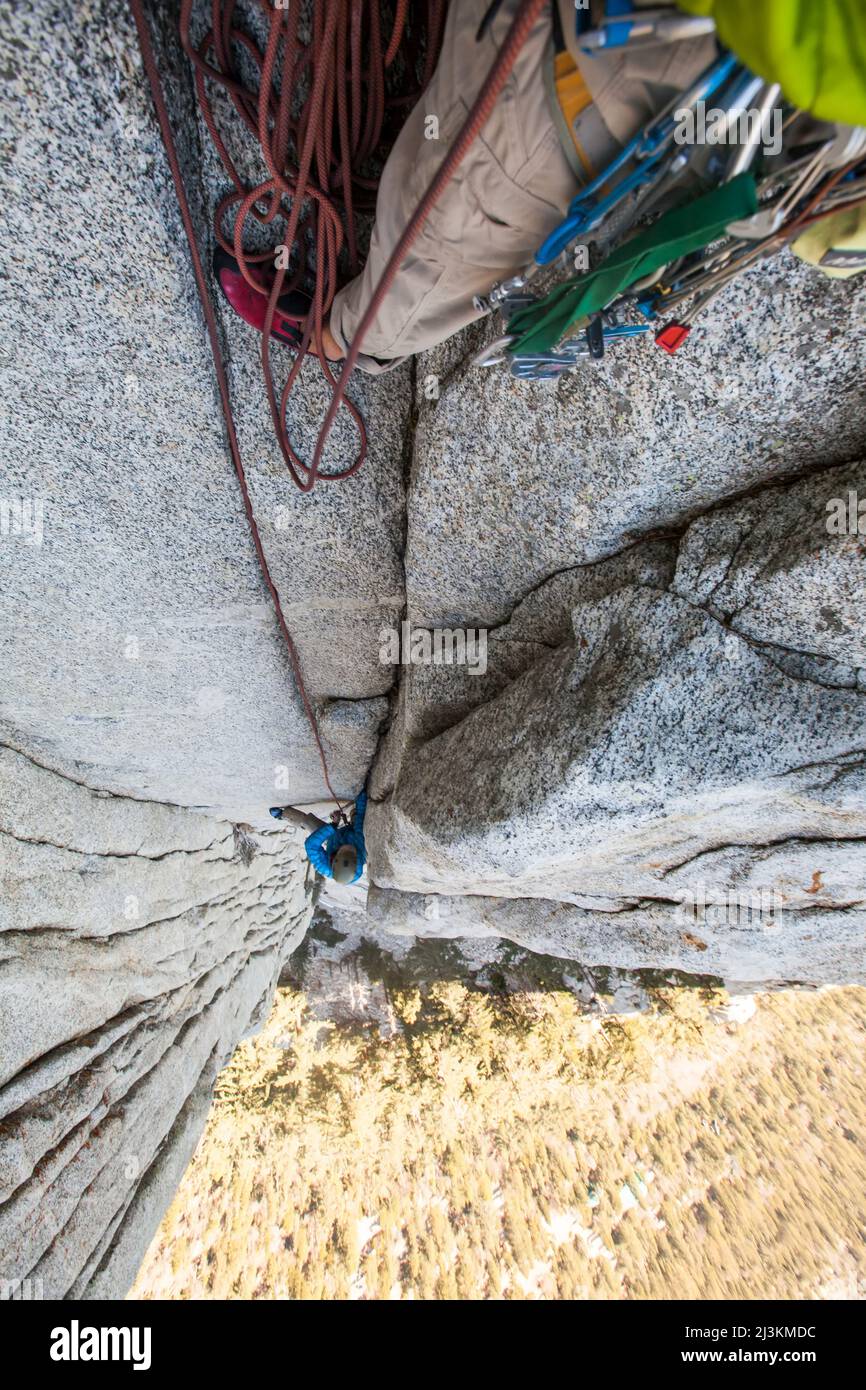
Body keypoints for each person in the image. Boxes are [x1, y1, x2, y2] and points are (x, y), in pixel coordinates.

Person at [270, 792, 368, 884]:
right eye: (349, 848)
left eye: (344, 849)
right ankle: (353, 815)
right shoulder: (360, 844)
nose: (347, 846)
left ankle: (283, 815)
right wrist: (363, 795)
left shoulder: (325, 867)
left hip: (333, 839)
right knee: (358, 817)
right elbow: (360, 819)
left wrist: (333, 826)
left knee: (308, 823)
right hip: (347, 834)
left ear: (334, 858)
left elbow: (311, 846)